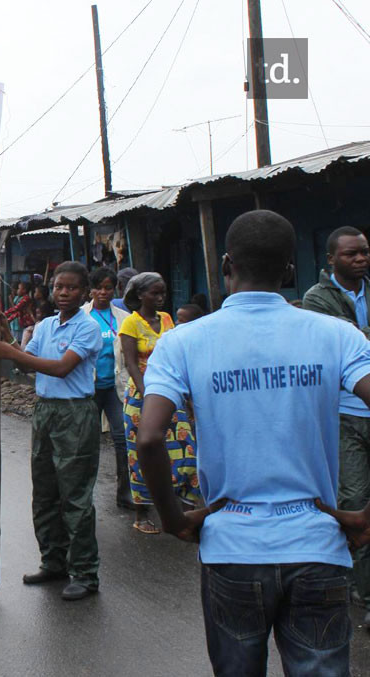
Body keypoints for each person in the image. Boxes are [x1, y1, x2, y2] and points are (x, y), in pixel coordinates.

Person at [137, 209, 370, 675]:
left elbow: (148, 438)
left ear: (226, 265)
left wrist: (173, 518)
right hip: (317, 545)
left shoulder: (182, 342)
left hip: (231, 546)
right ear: (290, 270)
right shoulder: (338, 336)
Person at [0, 262, 103, 601]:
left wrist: (11, 351)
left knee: (75, 497)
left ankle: (85, 572)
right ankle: (53, 561)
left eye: (71, 288)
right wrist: (9, 340)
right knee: (45, 492)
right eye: (58, 287)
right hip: (45, 412)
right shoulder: (45, 325)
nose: (64, 293)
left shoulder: (88, 327)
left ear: (83, 292)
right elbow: (25, 363)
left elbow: (62, 368)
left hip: (75, 414)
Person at [303, 225, 370, 622]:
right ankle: (361, 590)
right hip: (344, 413)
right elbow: (335, 344)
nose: (360, 259)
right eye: (351, 254)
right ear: (331, 260)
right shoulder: (317, 298)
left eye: (364, 252)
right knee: (354, 499)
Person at [119, 272, 200, 534]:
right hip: (142, 395)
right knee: (141, 453)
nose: (160, 297)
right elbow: (131, 363)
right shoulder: (130, 324)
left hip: (172, 392)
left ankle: (186, 504)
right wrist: (147, 394)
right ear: (140, 294)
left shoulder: (167, 319)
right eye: (154, 293)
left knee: (186, 448)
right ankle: (142, 512)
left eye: (162, 292)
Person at [81, 267, 132, 509]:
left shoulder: (123, 317)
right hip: (88, 389)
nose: (103, 292)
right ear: (90, 290)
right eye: (98, 287)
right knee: (87, 443)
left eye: (108, 288)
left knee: (122, 439)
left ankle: (125, 493)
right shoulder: (81, 316)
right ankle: (84, 496)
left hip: (115, 388)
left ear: (115, 290)